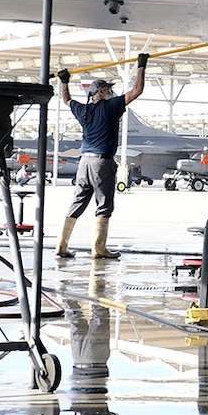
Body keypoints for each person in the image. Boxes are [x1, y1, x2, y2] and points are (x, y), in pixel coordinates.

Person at [54, 52, 147, 260]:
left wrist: (64, 82)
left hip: (83, 163)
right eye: (109, 90)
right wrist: (141, 66)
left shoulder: (83, 110)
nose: (112, 93)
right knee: (104, 204)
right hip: (101, 163)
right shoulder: (111, 107)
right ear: (103, 92)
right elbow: (137, 91)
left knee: (77, 202)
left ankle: (61, 246)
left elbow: (67, 99)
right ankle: (99, 249)